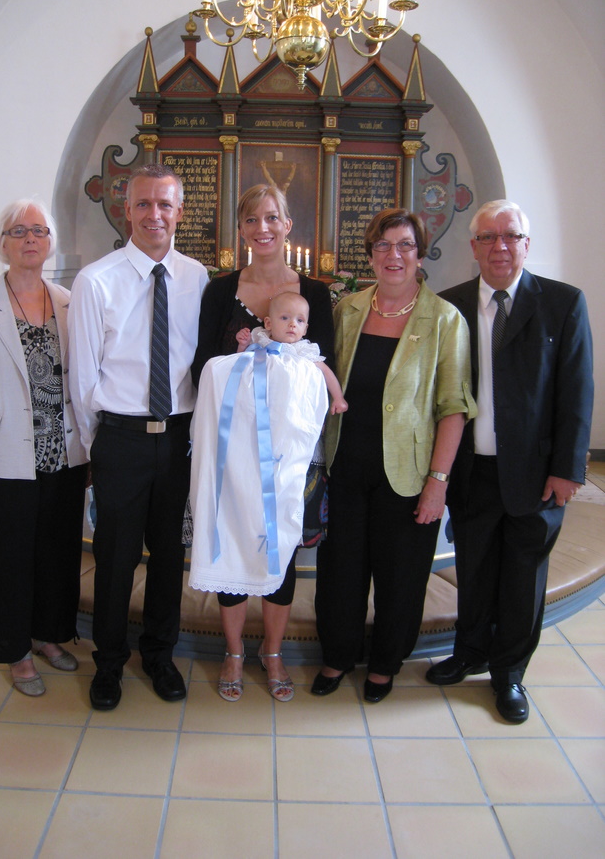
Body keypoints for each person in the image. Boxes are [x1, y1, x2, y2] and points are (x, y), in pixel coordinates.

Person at [426, 199, 593, 723]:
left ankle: (509, 674)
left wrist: (567, 469)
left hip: (536, 474)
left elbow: (577, 390)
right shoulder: (450, 305)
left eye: (510, 236)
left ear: (526, 244)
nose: (500, 246)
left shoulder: (562, 303)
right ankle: (469, 652)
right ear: (473, 247)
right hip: (472, 470)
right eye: (488, 237)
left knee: (523, 579)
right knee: (475, 570)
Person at [313, 208, 477, 703]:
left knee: (400, 576)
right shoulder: (348, 310)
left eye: (405, 245)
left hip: (408, 475)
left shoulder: (445, 319)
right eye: (383, 245)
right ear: (370, 254)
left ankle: (385, 665)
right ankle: (338, 655)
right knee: (340, 572)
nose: (394, 255)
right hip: (346, 466)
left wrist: (438, 482)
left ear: (420, 254)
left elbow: (453, 408)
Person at [68, 164, 208, 711]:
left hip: (177, 438)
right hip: (121, 438)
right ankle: (108, 663)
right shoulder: (96, 281)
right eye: (144, 204)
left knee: (170, 555)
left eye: (165, 205)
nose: (155, 215)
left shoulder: (196, 277)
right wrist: (96, 447)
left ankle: (159, 654)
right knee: (116, 557)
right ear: (127, 210)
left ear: (179, 212)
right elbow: (83, 377)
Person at [191, 183, 335, 702]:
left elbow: (322, 368)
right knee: (232, 539)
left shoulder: (313, 294)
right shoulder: (219, 291)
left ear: (288, 224)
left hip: (288, 453)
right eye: (251, 220)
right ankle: (233, 652)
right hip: (232, 451)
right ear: (241, 229)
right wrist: (240, 360)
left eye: (272, 217)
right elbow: (200, 366)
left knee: (281, 548)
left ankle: (272, 653)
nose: (262, 228)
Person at [0, 200, 88, 697]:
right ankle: (14, 650)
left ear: (50, 242)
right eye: (19, 231)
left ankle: (49, 634)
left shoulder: (69, 302)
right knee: (9, 557)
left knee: (58, 551)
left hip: (64, 454)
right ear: (2, 243)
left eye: (39, 230)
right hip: (4, 456)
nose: (30, 239)